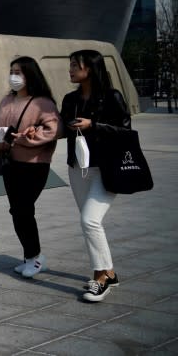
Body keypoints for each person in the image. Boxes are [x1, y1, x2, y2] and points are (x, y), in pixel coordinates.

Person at [0, 56, 61, 278]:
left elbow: (54, 130)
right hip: (9, 163)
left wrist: (24, 138)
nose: (14, 76)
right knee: (17, 210)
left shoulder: (43, 102)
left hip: (33, 165)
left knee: (23, 209)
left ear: (30, 75)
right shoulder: (6, 101)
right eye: (12, 71)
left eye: (19, 72)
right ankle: (30, 257)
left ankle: (36, 257)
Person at [61, 50, 131, 302]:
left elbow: (125, 130)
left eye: (74, 65)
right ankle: (108, 272)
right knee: (90, 223)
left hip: (106, 168)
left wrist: (94, 125)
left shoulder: (112, 97)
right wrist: (37, 131)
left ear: (89, 68)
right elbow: (61, 126)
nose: (69, 69)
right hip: (78, 168)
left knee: (90, 221)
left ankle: (101, 279)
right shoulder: (70, 99)